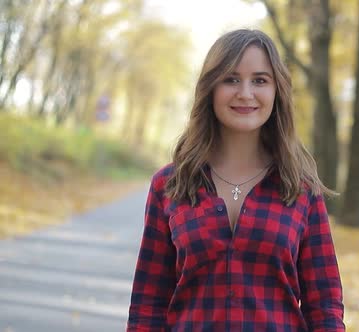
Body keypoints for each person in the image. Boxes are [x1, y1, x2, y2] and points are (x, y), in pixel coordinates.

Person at [127, 29, 345, 331]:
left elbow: (324, 306)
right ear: (211, 88)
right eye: (231, 79)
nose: (245, 93)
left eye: (260, 80)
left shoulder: (302, 188)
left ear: (276, 91)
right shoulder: (169, 185)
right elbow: (147, 304)